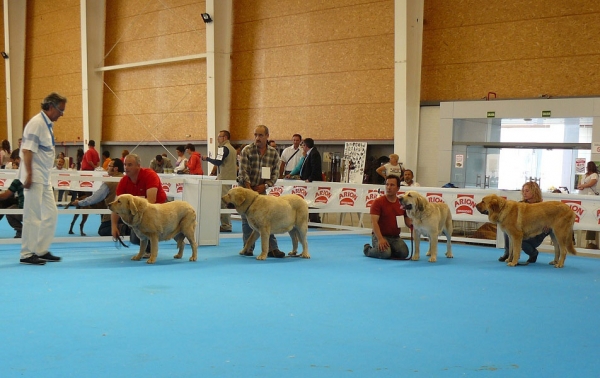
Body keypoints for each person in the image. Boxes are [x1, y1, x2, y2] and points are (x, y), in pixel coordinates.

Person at [19, 92, 66, 265]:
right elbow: (27, 151)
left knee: (51, 213)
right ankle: (26, 253)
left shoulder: (47, 125)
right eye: (60, 110)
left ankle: (40, 249)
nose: (61, 114)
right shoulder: (37, 123)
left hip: (44, 177)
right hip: (35, 176)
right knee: (33, 215)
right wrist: (29, 174)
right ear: (51, 107)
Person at [237, 125, 284, 257]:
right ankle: (248, 248)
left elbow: (275, 174)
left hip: (261, 190)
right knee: (247, 221)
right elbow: (243, 172)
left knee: (265, 221)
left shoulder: (273, 153)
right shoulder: (247, 150)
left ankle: (272, 249)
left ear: (267, 136)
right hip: (246, 191)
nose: (257, 138)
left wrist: (266, 185)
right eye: (256, 135)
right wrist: (250, 190)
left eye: (260, 135)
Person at [111, 154, 167, 255]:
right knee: (135, 238)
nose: (126, 167)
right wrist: (114, 226)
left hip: (159, 210)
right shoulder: (123, 182)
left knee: (147, 229)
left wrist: (139, 223)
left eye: (130, 165)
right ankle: (147, 246)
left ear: (138, 166)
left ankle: (151, 247)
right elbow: (116, 205)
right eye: (125, 165)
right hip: (139, 213)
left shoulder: (150, 175)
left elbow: (151, 201)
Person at [498, 181, 549, 264]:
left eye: (527, 191)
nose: (524, 193)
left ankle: (533, 253)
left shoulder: (543, 206)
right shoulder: (520, 204)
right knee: (508, 229)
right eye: (523, 191)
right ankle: (508, 253)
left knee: (520, 239)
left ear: (534, 191)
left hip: (538, 233)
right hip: (524, 232)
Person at [73, 158, 125, 236]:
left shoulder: (108, 183)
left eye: (109, 166)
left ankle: (122, 229)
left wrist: (80, 203)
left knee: (102, 231)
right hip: (127, 217)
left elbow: (95, 198)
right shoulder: (127, 179)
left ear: (116, 168)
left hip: (112, 216)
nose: (107, 168)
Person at [363, 175, 412, 259]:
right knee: (384, 254)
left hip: (395, 237)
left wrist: (413, 226)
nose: (388, 187)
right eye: (387, 184)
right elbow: (374, 222)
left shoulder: (401, 203)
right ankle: (367, 249)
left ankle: (389, 250)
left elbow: (406, 219)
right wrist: (380, 239)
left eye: (392, 185)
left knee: (404, 253)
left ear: (398, 188)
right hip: (380, 235)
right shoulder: (378, 202)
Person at [202, 130, 237, 232]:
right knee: (226, 201)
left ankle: (226, 225)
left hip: (224, 178)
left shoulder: (223, 148)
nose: (218, 138)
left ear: (225, 137)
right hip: (229, 177)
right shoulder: (232, 149)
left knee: (224, 202)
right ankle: (226, 224)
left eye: (219, 136)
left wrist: (207, 158)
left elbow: (218, 162)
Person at [300, 137, 323, 223]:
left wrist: (310, 179)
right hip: (309, 181)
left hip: (313, 182)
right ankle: (312, 220)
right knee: (309, 201)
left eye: (303, 145)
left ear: (306, 146)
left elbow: (315, 168)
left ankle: (315, 220)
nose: (302, 147)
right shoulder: (310, 153)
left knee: (313, 201)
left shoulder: (314, 154)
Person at [577, 161, 599, 249]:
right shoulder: (583, 175)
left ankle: (591, 242)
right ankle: (572, 239)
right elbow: (579, 184)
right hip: (581, 197)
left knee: (591, 220)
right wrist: (580, 186)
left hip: (590, 199)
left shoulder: (595, 175)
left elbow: (591, 184)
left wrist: (583, 185)